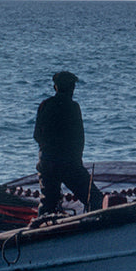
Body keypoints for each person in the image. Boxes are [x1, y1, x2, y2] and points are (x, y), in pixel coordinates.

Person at [33, 70, 105, 214]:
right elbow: (79, 138)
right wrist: (76, 161)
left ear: (55, 87)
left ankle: (42, 223)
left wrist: (47, 151)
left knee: (48, 203)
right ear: (72, 88)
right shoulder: (73, 107)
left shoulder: (44, 105)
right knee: (95, 199)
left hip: (47, 162)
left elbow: (36, 135)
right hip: (69, 163)